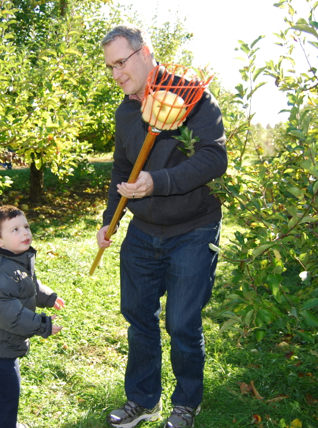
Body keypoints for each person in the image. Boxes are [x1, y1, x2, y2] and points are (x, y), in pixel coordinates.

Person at [97, 24, 227, 428]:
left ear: (145, 52)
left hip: (193, 228)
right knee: (138, 316)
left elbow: (213, 159)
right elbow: (122, 167)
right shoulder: (125, 111)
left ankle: (187, 403)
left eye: (122, 62)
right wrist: (110, 219)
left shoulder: (191, 98)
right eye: (110, 67)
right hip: (143, 230)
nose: (117, 74)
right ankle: (143, 400)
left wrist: (159, 182)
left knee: (182, 322)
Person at [0, 205, 65, 428]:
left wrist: (48, 297)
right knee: (1, 399)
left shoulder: (16, 262)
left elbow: (26, 285)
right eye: (15, 230)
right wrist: (42, 325)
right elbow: (9, 315)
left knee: (7, 395)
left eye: (26, 226)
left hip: (3, 347)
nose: (25, 233)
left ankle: (6, 423)